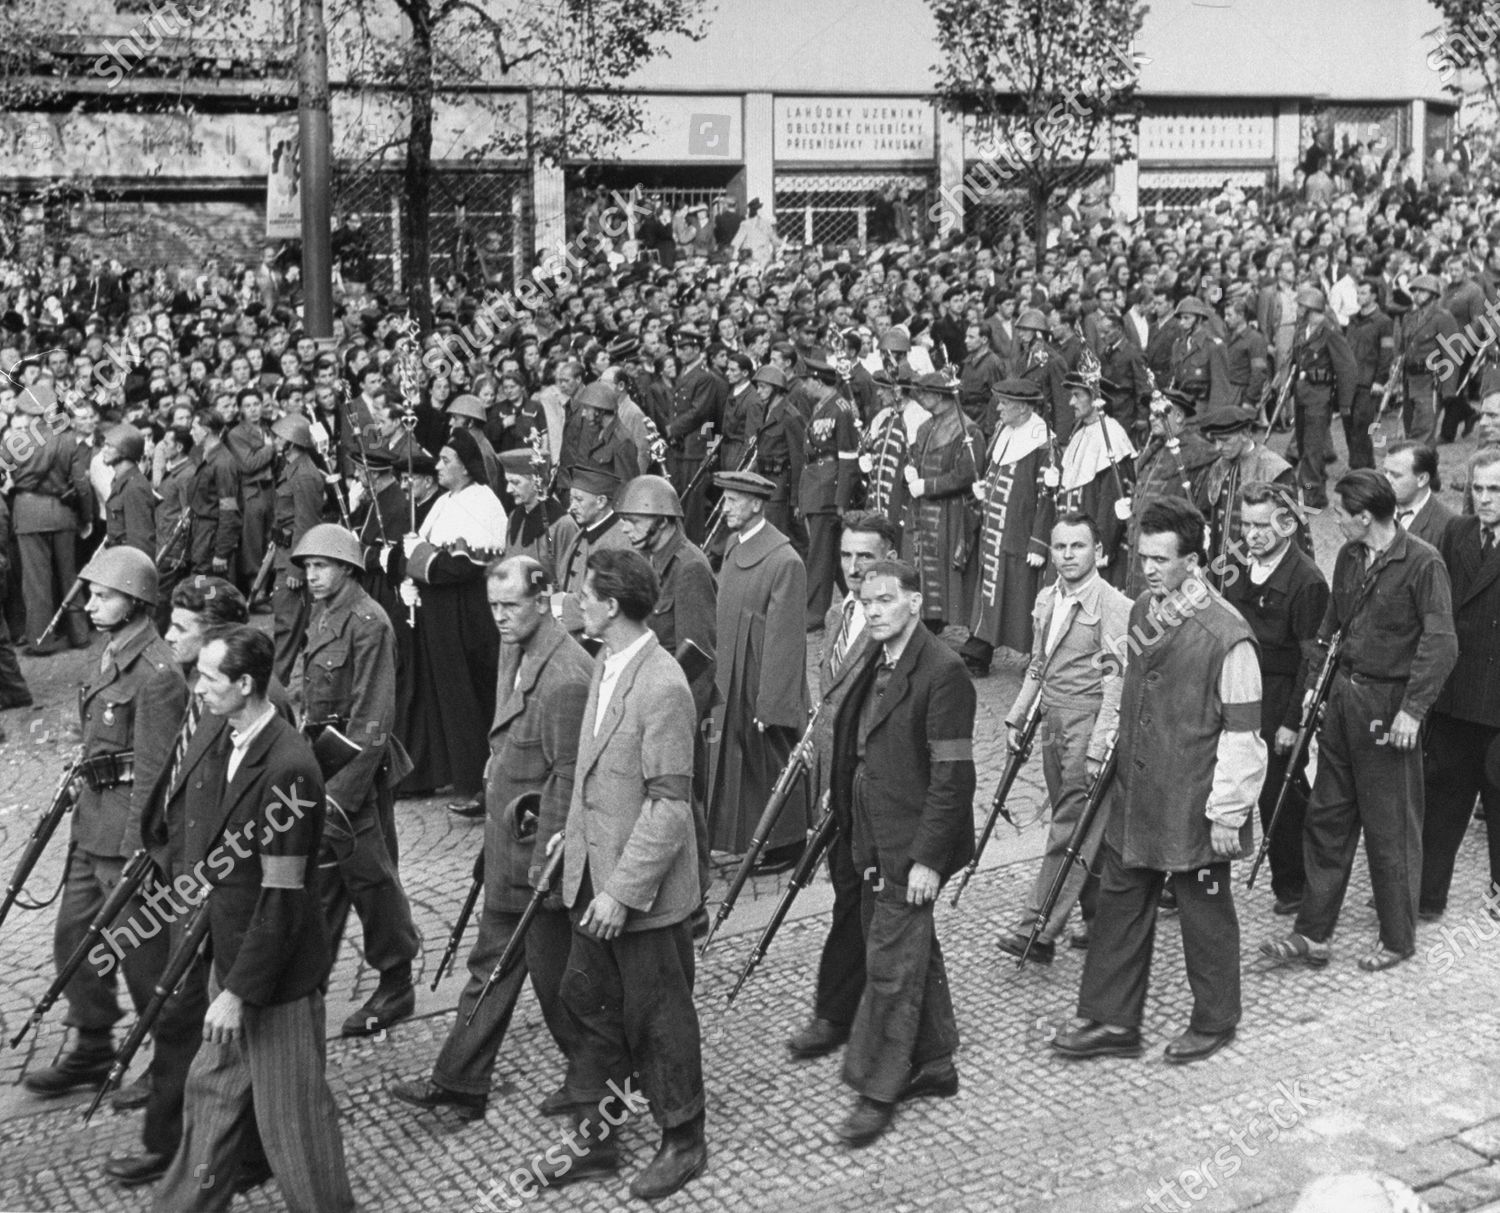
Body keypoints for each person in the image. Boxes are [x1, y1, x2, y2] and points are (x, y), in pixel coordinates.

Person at [1052, 498, 1265, 1064]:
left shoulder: (1229, 637)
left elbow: (1244, 735)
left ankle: (1216, 1020)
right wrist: (1105, 745)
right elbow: (1127, 691)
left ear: (1194, 562)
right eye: (1142, 556)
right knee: (1120, 902)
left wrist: (1228, 813)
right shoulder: (1146, 608)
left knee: (1204, 914)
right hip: (1136, 793)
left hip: (1194, 803)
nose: (1148, 569)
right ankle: (1111, 1022)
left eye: (1161, 559)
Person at [151, 627, 356, 1213]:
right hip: (234, 958)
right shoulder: (233, 739)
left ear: (245, 684)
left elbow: (284, 897)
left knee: (294, 1123)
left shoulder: (288, 767)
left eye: (211, 678)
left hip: (275, 983)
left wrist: (238, 992)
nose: (198, 688)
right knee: (211, 1093)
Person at [390, 556, 591, 1121]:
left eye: (511, 607)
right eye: (494, 607)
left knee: (558, 989)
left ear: (543, 599)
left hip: (540, 866)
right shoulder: (517, 652)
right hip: (510, 854)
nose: (500, 618)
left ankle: (603, 1081)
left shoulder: (566, 674)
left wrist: (543, 867)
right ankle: (460, 1082)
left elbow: (569, 779)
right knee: (492, 967)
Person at [540, 548, 707, 1201]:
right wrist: (571, 838)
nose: (575, 600)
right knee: (585, 999)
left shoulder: (662, 684)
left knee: (660, 1017)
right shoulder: (607, 662)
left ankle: (684, 1137)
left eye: (584, 593)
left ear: (611, 606)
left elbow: (669, 808)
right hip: (593, 874)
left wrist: (620, 892)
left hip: (640, 894)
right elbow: (593, 776)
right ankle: (595, 1140)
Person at [114, 576, 289, 1191]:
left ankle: (191, 1152)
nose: (169, 638)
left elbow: (264, 818)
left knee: (197, 1016)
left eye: (183, 629)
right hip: (186, 881)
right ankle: (225, 1149)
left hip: (229, 894)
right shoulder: (194, 689)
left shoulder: (260, 707)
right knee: (187, 1013)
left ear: (219, 640)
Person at [22, 548, 186, 1161]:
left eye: (101, 596)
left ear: (136, 602)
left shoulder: (158, 673)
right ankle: (93, 1045)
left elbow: (156, 774)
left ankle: (170, 1062)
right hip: (92, 828)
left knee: (144, 963)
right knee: (73, 941)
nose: (89, 605)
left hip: (126, 841)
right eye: (89, 595)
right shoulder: (111, 656)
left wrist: (142, 854)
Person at [1262, 469, 1456, 972]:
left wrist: (1412, 711)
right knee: (1327, 818)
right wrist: (1312, 691)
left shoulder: (1422, 564)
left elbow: (1441, 644)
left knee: (1390, 828)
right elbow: (1331, 626)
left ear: (1364, 516)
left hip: (1389, 709)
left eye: (1342, 515)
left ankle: (1397, 938)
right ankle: (1312, 934)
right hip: (1343, 703)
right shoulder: (1349, 557)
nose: (1337, 522)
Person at [826, 558, 975, 1146]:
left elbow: (953, 777)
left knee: (889, 966)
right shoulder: (876, 657)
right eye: (866, 603)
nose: (875, 611)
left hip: (911, 846)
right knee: (912, 946)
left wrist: (928, 861)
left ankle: (879, 1088)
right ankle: (935, 1062)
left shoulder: (944, 671)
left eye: (886, 600)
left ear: (916, 602)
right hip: (872, 834)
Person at [291, 522, 422, 1033]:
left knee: (372, 881)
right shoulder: (325, 615)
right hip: (322, 768)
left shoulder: (369, 622)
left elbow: (373, 718)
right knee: (324, 882)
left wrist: (341, 797)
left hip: (354, 777)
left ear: (347, 567)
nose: (312, 575)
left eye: (321, 566)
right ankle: (309, 986)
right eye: (307, 567)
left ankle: (397, 984)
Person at [786, 512, 900, 1061]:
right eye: (847, 557)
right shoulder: (838, 614)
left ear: (889, 558)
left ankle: (841, 1013)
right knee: (853, 897)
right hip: (833, 785)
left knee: (866, 899)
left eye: (866, 558)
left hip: (867, 790)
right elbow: (830, 699)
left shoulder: (893, 627)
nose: (854, 570)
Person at [995, 512, 1129, 962]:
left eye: (1079, 546)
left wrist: (1097, 748)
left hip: (1087, 726)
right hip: (1053, 724)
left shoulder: (1114, 607)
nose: (1068, 556)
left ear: (1100, 553)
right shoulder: (1049, 598)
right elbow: (1038, 663)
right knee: (1088, 828)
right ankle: (1102, 921)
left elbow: (1116, 683)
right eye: (1060, 547)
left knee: (1068, 829)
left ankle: (1037, 929)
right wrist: (1018, 717)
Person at [1222, 484, 1330, 917]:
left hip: (1280, 694)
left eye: (1263, 525)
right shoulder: (1235, 566)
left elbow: (1313, 659)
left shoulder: (1306, 581)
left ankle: (1296, 883)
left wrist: (1292, 721)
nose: (1254, 535)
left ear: (1286, 523)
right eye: (1246, 525)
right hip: (1237, 687)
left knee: (1278, 794)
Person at [705, 470, 810, 860]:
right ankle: (748, 838)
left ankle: (788, 843)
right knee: (741, 762)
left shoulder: (785, 560)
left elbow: (785, 642)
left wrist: (774, 704)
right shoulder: (733, 545)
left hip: (761, 680)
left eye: (733, 500)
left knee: (770, 761)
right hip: (730, 673)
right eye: (726, 499)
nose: (725, 508)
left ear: (756, 504)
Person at [401, 429, 507, 808]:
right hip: (442, 613)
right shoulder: (445, 501)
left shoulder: (483, 502)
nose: (438, 466)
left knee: (472, 696)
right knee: (451, 694)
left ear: (466, 466)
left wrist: (419, 561)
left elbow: (464, 566)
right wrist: (416, 566)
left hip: (469, 613)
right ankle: (461, 776)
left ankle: (483, 783)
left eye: (446, 460)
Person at [1421, 448, 1500, 920]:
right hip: (1457, 693)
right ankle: (1428, 896)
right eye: (1479, 488)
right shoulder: (1458, 531)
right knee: (1443, 796)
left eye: (1497, 490)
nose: (1486, 498)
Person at [961, 378, 1057, 677]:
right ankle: (979, 648)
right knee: (989, 591)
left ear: (1024, 408)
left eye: (1005, 403)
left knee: (1021, 598)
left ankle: (1036, 656)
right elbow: (996, 467)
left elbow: (1048, 496)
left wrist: (1040, 542)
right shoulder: (1006, 430)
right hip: (994, 530)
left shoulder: (1043, 442)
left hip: (1019, 533)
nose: (998, 408)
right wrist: (984, 488)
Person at [11, 383, 91, 654]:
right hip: (63, 513)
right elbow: (81, 484)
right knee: (70, 575)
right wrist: (86, 516)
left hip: (28, 513)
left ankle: (41, 641)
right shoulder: (68, 439)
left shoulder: (17, 441)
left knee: (36, 583)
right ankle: (80, 633)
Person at [902, 373, 982, 634]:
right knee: (924, 567)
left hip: (951, 511)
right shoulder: (926, 426)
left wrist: (928, 486)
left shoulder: (968, 430)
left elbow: (966, 474)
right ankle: (929, 622)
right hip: (925, 510)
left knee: (949, 570)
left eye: (924, 393)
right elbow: (917, 457)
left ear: (939, 396)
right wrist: (912, 470)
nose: (920, 398)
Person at [1123, 388, 1217, 597]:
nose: (1151, 418)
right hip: (1143, 550)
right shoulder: (1154, 451)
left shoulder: (1198, 454)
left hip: (1171, 555)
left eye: (1158, 414)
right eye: (1150, 414)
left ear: (1179, 416)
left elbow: (1202, 508)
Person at [797, 349, 861, 630]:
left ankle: (815, 613)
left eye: (806, 381)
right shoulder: (823, 406)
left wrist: (841, 499)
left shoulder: (840, 409)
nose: (802, 386)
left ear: (817, 381)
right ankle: (853, 600)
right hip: (817, 483)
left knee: (820, 555)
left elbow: (848, 456)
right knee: (832, 555)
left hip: (828, 486)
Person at [1198, 404, 1295, 581]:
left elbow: (1290, 531)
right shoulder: (1218, 467)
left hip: (1258, 566)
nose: (1218, 447)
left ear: (1245, 434)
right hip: (1220, 565)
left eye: (1225, 440)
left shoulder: (1274, 469)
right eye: (1215, 440)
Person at [1056, 371, 1135, 585]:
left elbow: (1112, 501)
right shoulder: (1080, 432)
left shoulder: (1112, 436)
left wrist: (1101, 545)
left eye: (1077, 395)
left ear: (1095, 399)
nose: (1071, 402)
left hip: (1094, 550)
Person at [1286, 287, 1357, 511]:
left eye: (1300, 306)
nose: (1297, 310)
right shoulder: (1302, 330)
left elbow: (1347, 368)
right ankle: (1313, 491)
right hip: (1302, 394)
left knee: (1312, 449)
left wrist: (1344, 404)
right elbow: (1295, 363)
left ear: (1310, 309)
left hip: (1319, 396)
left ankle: (1310, 495)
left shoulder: (1329, 331)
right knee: (1305, 447)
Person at [268, 413, 326, 683]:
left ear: (291, 442)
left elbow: (307, 525)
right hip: (283, 551)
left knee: (287, 628)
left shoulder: (304, 475)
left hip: (292, 560)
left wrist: (297, 568)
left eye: (279, 436)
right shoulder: (292, 468)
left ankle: (274, 689)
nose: (274, 440)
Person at [549, 464, 632, 641]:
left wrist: (556, 605)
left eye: (579, 500)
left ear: (601, 502)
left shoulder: (622, 541)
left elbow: (610, 601)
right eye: (571, 499)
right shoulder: (581, 534)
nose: (571, 507)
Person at [665, 325, 725, 542]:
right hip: (683, 444)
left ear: (696, 348)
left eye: (684, 347)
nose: (679, 352)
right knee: (683, 497)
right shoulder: (687, 373)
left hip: (695, 444)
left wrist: (674, 428)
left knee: (692, 502)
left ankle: (693, 542)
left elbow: (699, 411)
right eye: (678, 347)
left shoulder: (703, 377)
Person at [1398, 274, 1459, 446]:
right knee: (1411, 429)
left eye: (1421, 291)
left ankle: (1422, 468)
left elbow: (1452, 354)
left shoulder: (1443, 317)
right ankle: (1428, 470)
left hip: (1429, 382)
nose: (1416, 294)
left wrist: (1448, 390)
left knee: (1422, 433)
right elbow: (1403, 351)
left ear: (1433, 294)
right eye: (1414, 290)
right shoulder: (1409, 318)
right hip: (1410, 380)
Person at [499, 447, 576, 581]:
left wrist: (551, 602)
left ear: (537, 482)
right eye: (508, 482)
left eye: (515, 482)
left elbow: (567, 583)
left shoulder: (562, 525)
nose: (508, 489)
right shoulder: (514, 516)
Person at [186, 409, 243, 581]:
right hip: (202, 532)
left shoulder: (223, 462)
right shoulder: (209, 456)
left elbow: (229, 510)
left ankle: (208, 607)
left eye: (194, 428)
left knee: (205, 583)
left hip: (211, 536)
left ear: (206, 430)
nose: (191, 432)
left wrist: (221, 552)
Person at [1384, 440, 1457, 551]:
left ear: (1422, 479)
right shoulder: (1373, 511)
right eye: (1385, 472)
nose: (1386, 480)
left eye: (1396, 475)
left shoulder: (1448, 527)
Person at [101, 423, 156, 555]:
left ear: (125, 450)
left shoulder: (134, 487)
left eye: (110, 446)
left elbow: (141, 542)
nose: (104, 450)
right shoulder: (120, 481)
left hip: (129, 566)